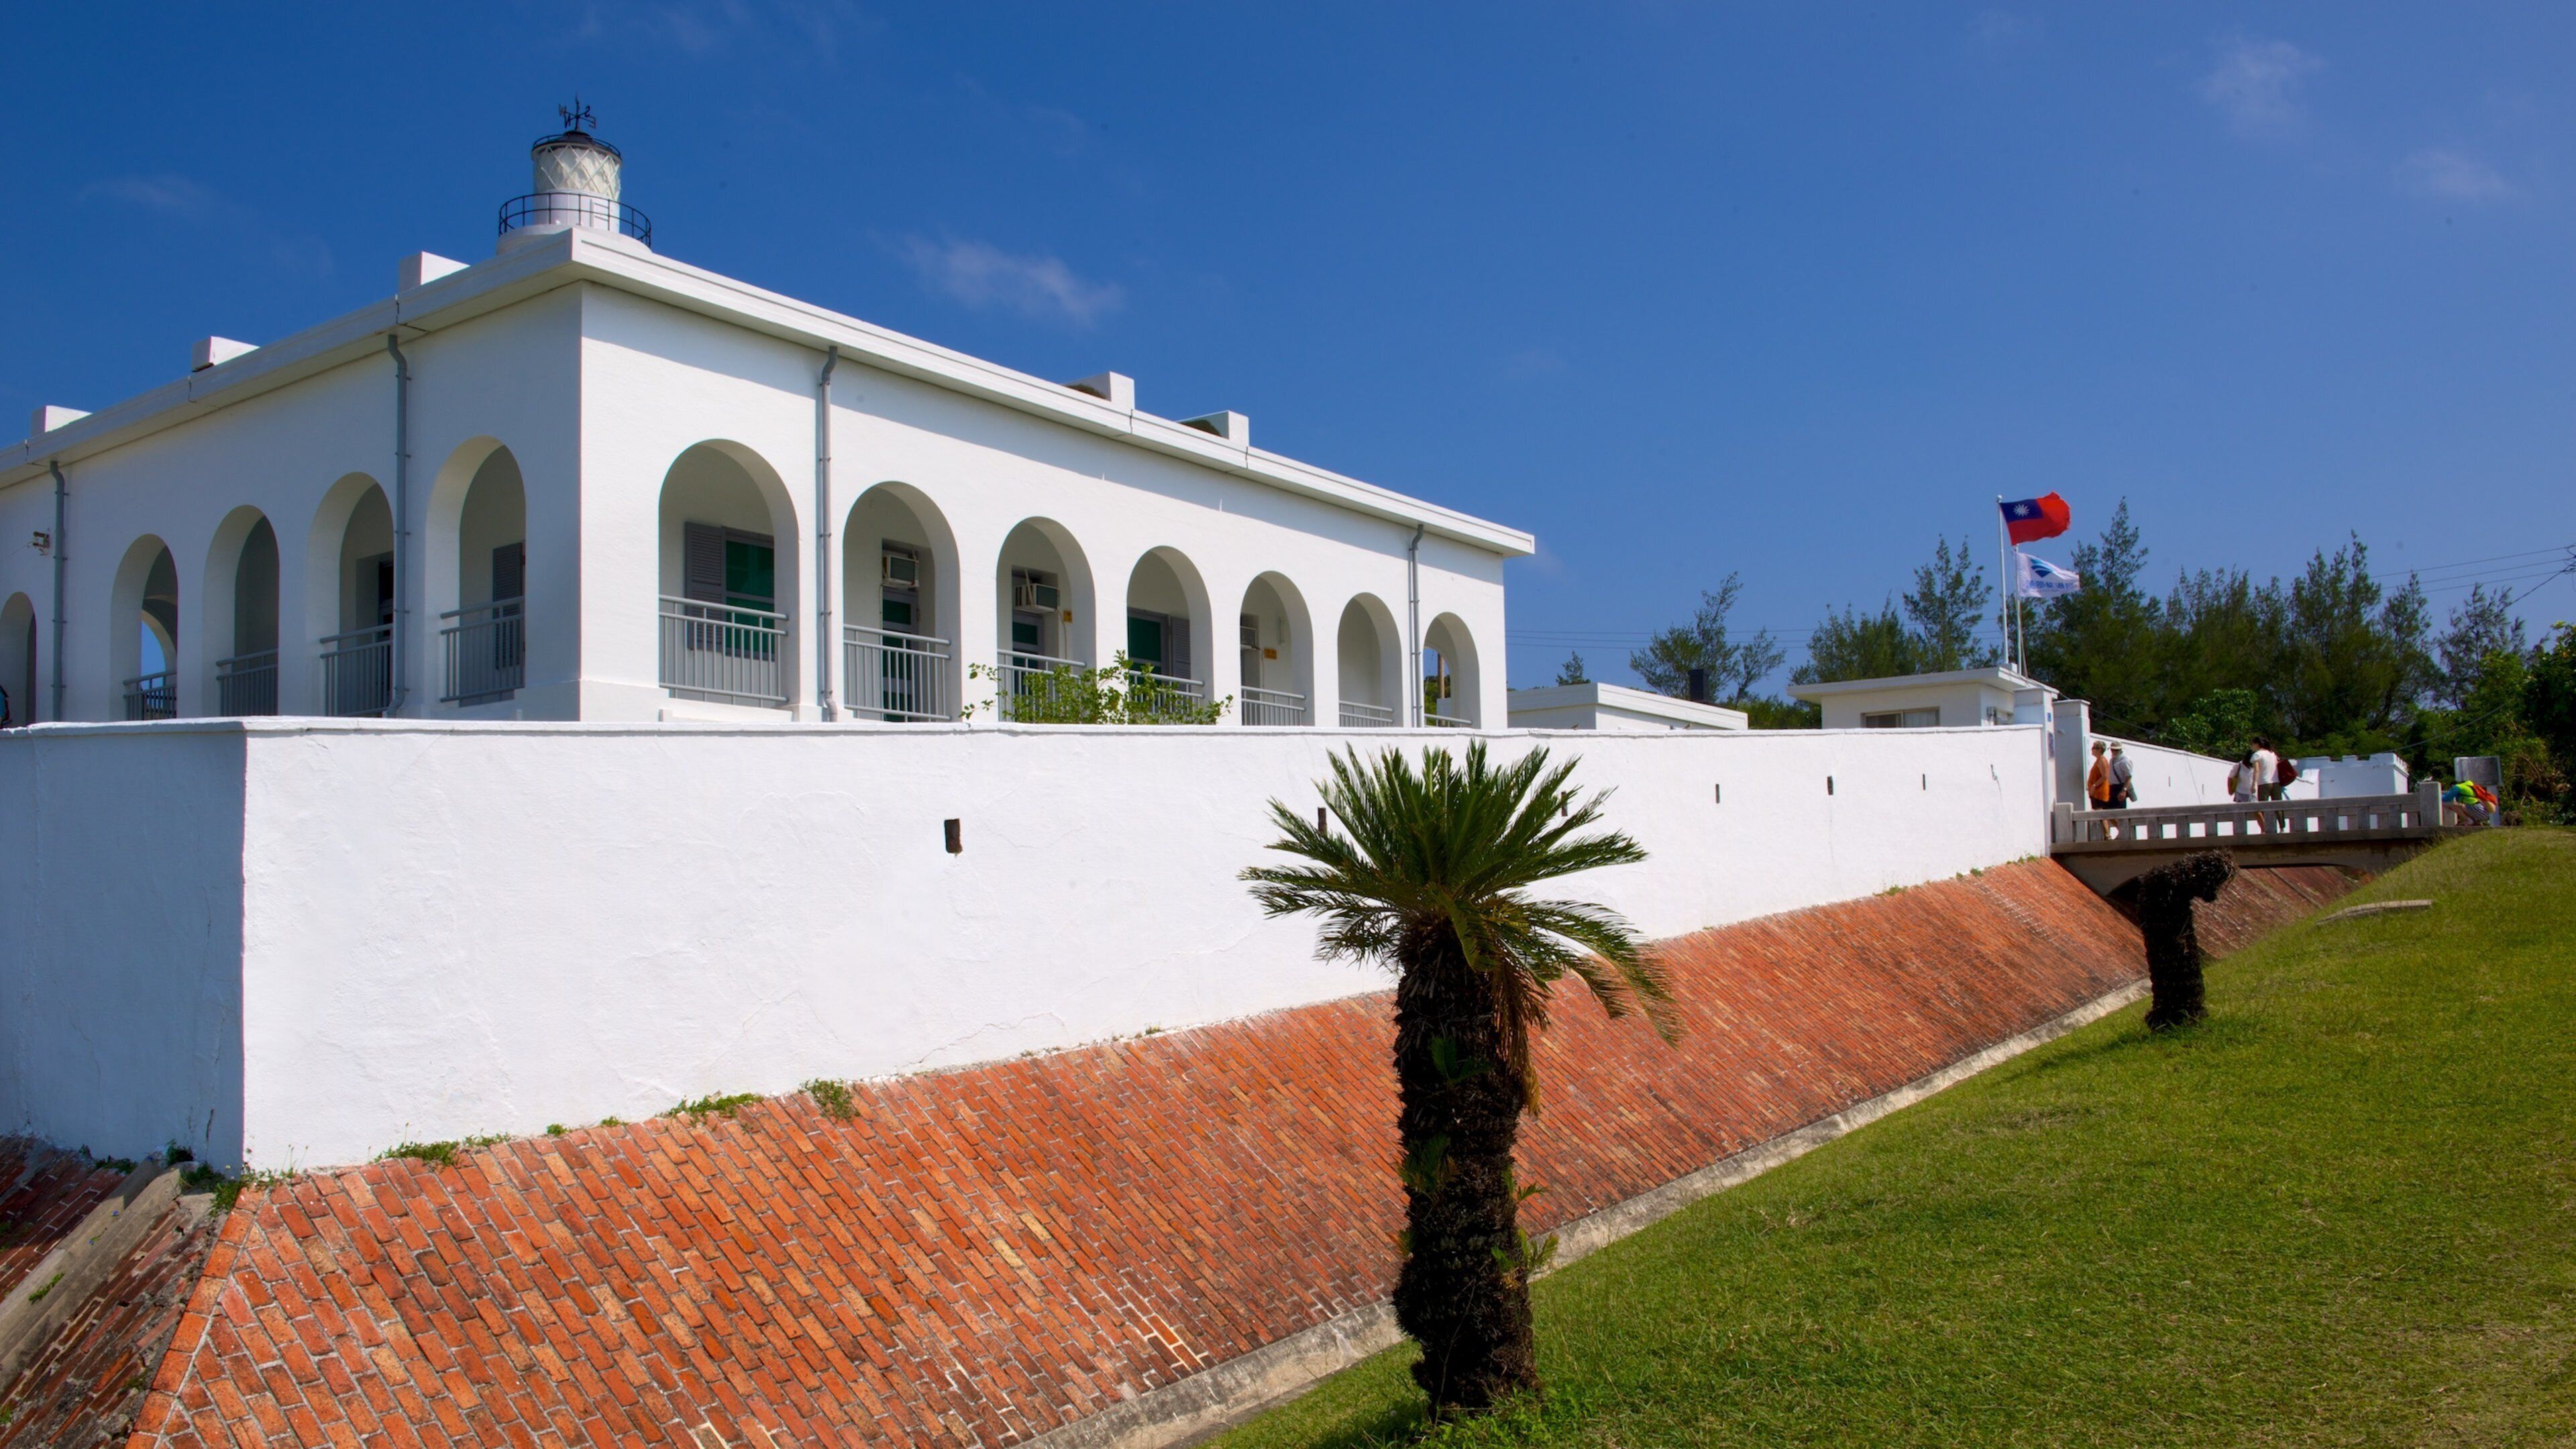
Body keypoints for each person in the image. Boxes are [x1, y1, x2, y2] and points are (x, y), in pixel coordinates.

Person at [2109, 743, 2136, 808]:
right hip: (2112, 787)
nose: (2114, 752)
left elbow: (2129, 776)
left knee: (2119, 808)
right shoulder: (2113, 759)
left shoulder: (2125, 760)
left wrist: (2124, 790)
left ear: (2120, 750)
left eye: (2116, 750)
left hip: (2121, 786)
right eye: (2112, 750)